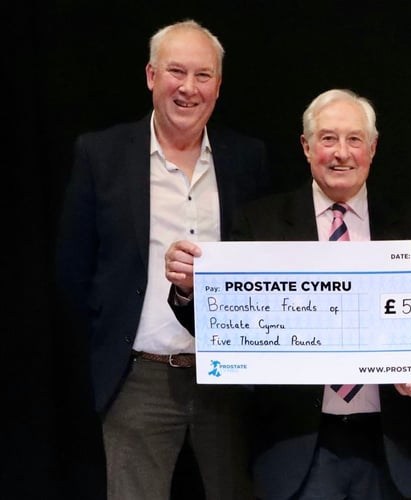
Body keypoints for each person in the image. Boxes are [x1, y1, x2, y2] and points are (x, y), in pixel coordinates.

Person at [165, 88, 411, 500]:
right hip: (295, 446)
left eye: (354, 139)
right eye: (328, 139)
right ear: (306, 147)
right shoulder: (261, 224)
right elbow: (223, 325)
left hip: (392, 446)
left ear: (373, 147)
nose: (341, 153)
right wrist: (188, 290)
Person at [56, 19, 271, 499]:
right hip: (138, 377)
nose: (188, 88)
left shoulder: (246, 159)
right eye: (177, 72)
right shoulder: (101, 154)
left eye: (203, 75)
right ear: (152, 76)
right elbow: (74, 272)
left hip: (228, 380)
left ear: (218, 85)